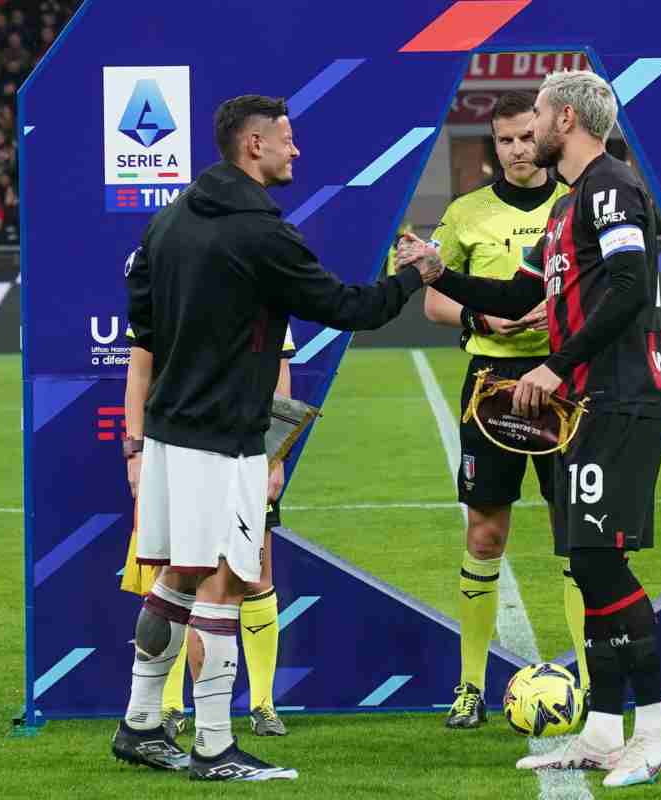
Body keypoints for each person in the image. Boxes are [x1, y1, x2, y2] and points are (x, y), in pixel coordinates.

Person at [111, 93, 442, 782]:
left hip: (171, 431)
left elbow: (142, 322)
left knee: (175, 578)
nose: (297, 151)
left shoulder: (166, 222)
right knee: (229, 581)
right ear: (253, 145)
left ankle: (141, 725)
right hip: (224, 436)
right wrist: (417, 274)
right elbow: (348, 308)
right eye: (288, 140)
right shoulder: (261, 232)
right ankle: (212, 747)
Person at [401, 69, 661, 788]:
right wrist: (439, 273)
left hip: (620, 398)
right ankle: (599, 732)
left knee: (604, 563)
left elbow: (626, 287)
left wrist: (556, 366)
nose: (532, 134)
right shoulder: (568, 210)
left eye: (543, 118)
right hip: (585, 406)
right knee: (588, 562)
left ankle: (655, 730)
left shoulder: (613, 186)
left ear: (566, 119)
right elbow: (517, 293)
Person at [420, 90, 582, 730]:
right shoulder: (463, 213)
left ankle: (592, 683)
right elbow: (432, 299)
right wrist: (477, 317)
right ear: (493, 144)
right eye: (505, 140)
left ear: (543, 137)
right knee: (485, 533)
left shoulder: (576, 206)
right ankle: (468, 688)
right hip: (491, 382)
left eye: (525, 136)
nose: (517, 149)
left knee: (578, 540)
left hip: (565, 383)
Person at [121, 328, 298, 739]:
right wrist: (135, 451)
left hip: (246, 451)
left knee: (254, 576)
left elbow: (279, 373)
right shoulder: (163, 277)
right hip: (182, 452)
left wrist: (276, 456)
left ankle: (262, 703)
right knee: (177, 575)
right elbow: (140, 372)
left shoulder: (263, 273)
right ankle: (167, 708)